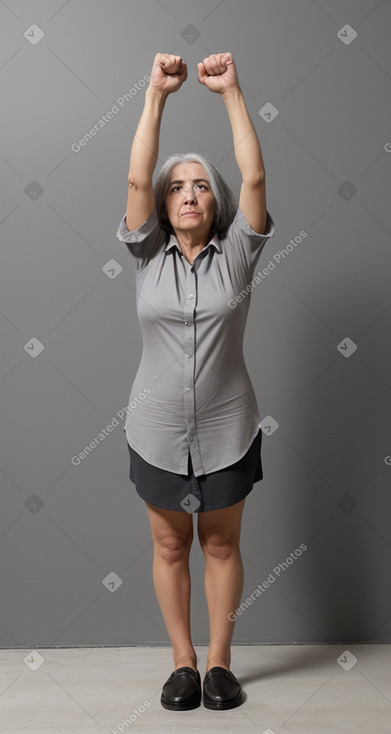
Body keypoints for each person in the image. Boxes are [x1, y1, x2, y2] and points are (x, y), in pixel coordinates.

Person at [116, 52, 275, 711]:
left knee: (219, 541)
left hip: (226, 426)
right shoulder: (144, 251)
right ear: (160, 202)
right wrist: (155, 94)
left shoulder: (239, 252)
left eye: (201, 185)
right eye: (176, 185)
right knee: (166, 541)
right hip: (154, 426)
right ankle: (181, 663)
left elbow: (256, 173)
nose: (187, 192)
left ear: (217, 202)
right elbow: (133, 173)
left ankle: (218, 666)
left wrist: (231, 92)